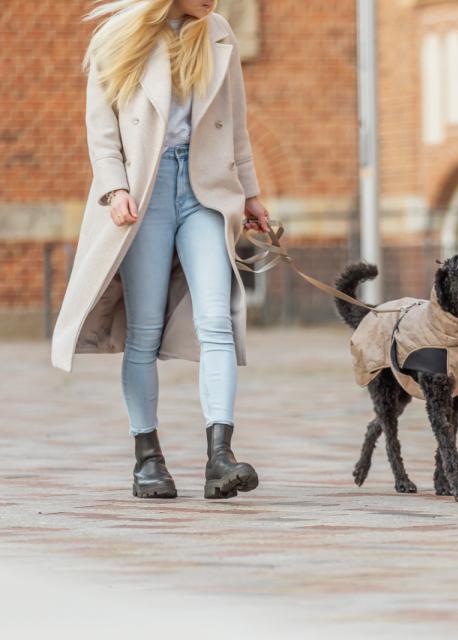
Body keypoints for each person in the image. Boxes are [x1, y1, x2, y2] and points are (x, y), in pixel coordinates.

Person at [51, 0, 271, 500]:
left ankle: (221, 455)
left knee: (216, 320)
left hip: (206, 192)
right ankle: (147, 458)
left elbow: (235, 125)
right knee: (144, 329)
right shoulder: (117, 36)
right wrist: (114, 188)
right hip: (143, 193)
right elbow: (101, 128)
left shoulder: (217, 33)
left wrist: (251, 193)